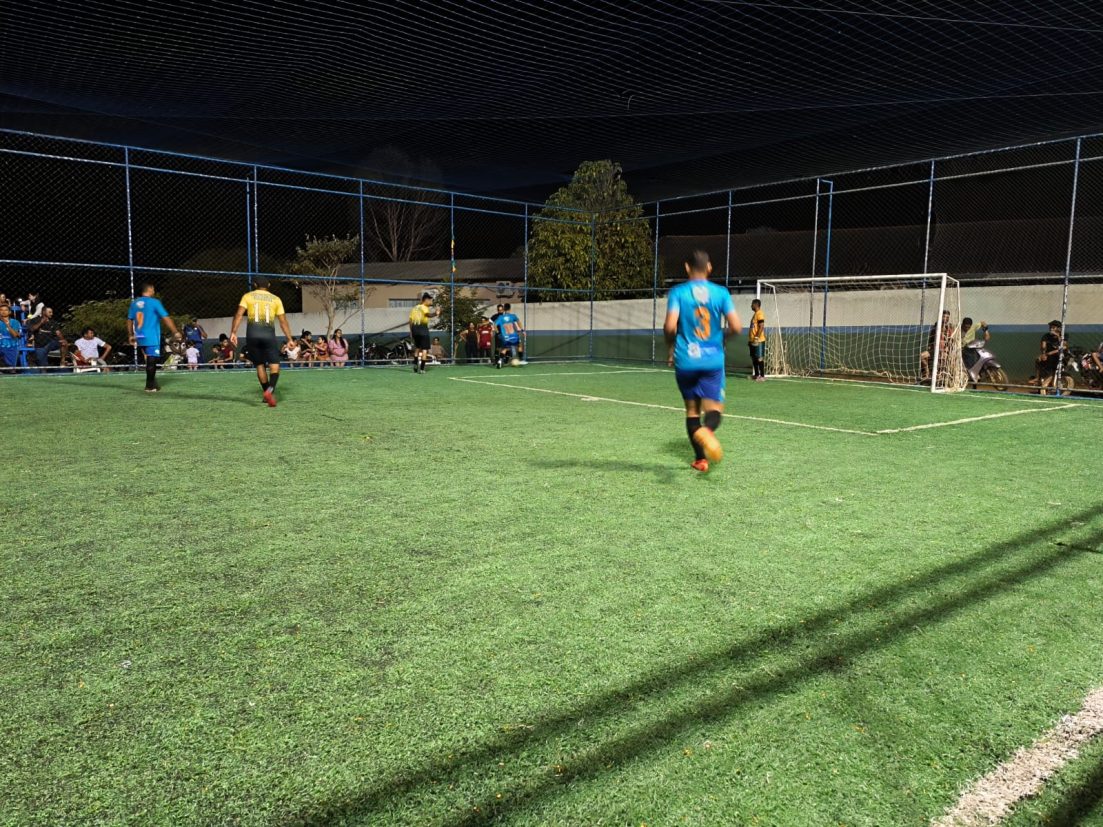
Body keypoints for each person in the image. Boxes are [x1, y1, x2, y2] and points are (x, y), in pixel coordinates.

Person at [664, 250, 742, 473]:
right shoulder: (721, 293)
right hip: (712, 360)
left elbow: (670, 327)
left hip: (686, 358)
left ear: (687, 267)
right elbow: (736, 327)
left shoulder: (678, 292)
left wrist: (670, 348)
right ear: (709, 267)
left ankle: (700, 459)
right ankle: (706, 431)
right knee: (714, 409)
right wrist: (721, 338)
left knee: (692, 410)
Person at [229, 276, 296, 407]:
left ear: (255, 285)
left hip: (252, 335)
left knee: (259, 365)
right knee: (274, 365)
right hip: (268, 335)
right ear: (269, 285)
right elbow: (283, 321)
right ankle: (270, 391)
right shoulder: (276, 299)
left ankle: (266, 393)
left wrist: (233, 332)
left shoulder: (247, 296)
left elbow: (239, 315)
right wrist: (289, 339)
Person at [127, 284, 182, 392]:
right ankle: (149, 386)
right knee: (152, 360)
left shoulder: (135, 303)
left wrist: (130, 335)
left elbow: (129, 319)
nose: (154, 291)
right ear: (150, 289)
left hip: (139, 335)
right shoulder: (154, 302)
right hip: (151, 335)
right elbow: (165, 318)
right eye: (153, 289)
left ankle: (153, 383)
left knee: (148, 359)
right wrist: (175, 332)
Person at [28, 307, 70, 371]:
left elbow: (58, 333)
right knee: (43, 368)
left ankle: (62, 361)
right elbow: (32, 329)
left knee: (64, 342)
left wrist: (62, 339)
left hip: (51, 343)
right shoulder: (35, 320)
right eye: (49, 312)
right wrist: (41, 322)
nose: (51, 314)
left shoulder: (53, 322)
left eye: (52, 312)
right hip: (40, 345)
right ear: (44, 312)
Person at [408, 292, 440, 373]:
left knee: (417, 348)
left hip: (415, 330)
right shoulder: (424, 307)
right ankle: (422, 369)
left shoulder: (414, 308)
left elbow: (410, 321)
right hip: (423, 330)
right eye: (430, 300)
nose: (431, 302)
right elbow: (428, 315)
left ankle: (415, 364)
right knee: (424, 349)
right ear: (426, 300)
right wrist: (436, 313)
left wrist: (411, 332)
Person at [919, 309, 953, 381]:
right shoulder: (935, 327)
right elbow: (931, 340)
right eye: (944, 317)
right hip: (934, 350)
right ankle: (926, 373)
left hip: (943, 351)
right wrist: (930, 347)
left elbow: (950, 342)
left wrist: (947, 349)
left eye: (947, 317)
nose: (945, 319)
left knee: (944, 358)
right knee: (922, 356)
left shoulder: (949, 329)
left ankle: (941, 375)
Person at [1036, 319, 1065, 391]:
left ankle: (1053, 382)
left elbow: (1064, 346)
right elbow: (1043, 347)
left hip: (1059, 355)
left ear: (1058, 328)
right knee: (1038, 360)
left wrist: (1058, 336)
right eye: (1050, 327)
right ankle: (1038, 379)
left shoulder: (1063, 335)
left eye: (1053, 327)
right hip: (1048, 355)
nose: (1051, 329)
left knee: (1055, 362)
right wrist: (1043, 354)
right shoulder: (1046, 336)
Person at [493, 302, 525, 368]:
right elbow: (519, 322)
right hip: (513, 335)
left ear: (504, 309)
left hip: (505, 336)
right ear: (510, 309)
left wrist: (498, 332)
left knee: (505, 348)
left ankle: (499, 361)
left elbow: (495, 325)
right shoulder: (513, 316)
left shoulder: (500, 317)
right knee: (519, 346)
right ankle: (521, 360)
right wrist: (522, 330)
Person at [0, 303, 23, 373]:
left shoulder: (15, 322)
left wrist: (7, 324)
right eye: (1, 310)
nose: (3, 311)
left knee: (12, 369)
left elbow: (15, 335)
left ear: (9, 312)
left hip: (11, 345)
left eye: (6, 310)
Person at [748, 298, 766, 381]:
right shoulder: (755, 314)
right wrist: (751, 339)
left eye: (752, 304)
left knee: (759, 358)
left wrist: (756, 337)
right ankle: (756, 375)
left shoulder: (760, 313)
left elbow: (761, 326)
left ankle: (762, 376)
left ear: (756, 305)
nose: (751, 306)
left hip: (759, 340)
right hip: (752, 340)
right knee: (754, 357)